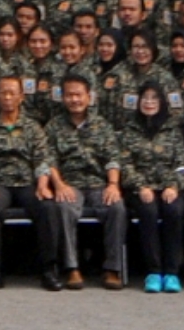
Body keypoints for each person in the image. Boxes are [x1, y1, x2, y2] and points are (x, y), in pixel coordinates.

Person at [45, 73, 126, 289]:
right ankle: (72, 268)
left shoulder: (102, 125)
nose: (74, 100)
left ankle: (112, 269)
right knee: (62, 207)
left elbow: (113, 158)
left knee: (116, 207)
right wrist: (59, 184)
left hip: (99, 183)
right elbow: (49, 159)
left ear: (89, 97)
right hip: (70, 183)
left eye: (79, 95)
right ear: (62, 98)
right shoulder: (54, 126)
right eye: (69, 95)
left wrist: (113, 185)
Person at [0, 75, 56, 291]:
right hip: (0, 182)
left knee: (47, 206)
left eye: (12, 93)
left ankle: (49, 268)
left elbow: (42, 159)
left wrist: (42, 184)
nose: (8, 97)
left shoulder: (33, 127)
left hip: (28, 182)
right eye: (3, 92)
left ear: (21, 97)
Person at [123, 83, 184, 294]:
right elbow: (125, 164)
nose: (149, 102)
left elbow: (182, 164)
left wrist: (174, 185)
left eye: (154, 98)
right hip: (140, 188)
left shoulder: (172, 128)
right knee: (148, 211)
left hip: (169, 187)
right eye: (145, 98)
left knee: (174, 210)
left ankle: (171, 272)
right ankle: (153, 271)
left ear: (162, 103)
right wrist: (141, 186)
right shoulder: (129, 129)